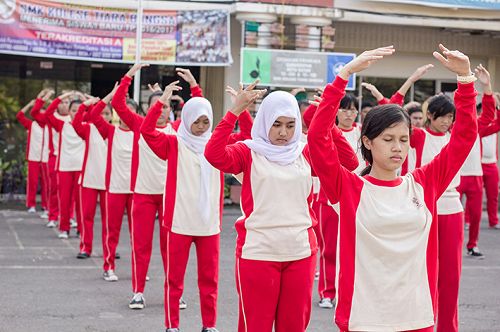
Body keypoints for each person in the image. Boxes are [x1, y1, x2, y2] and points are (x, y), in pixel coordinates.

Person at [307, 44, 477, 332]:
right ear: (367, 142)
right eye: (388, 139)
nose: (398, 147)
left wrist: (465, 81)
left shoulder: (424, 184)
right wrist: (344, 75)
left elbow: (463, 138)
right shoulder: (348, 187)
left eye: (403, 139)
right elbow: (317, 137)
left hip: (416, 316)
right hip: (364, 318)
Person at [204, 81, 357, 332]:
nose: (283, 132)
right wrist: (234, 111)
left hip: (300, 252)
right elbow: (214, 154)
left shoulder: (305, 152)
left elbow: (349, 163)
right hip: (258, 253)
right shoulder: (248, 152)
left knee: (294, 326)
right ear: (264, 121)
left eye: (290, 125)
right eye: (276, 124)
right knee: (256, 326)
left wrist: (328, 124)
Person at [112, 64, 202, 310]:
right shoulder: (140, 124)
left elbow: (200, 112)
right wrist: (129, 75)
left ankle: (175, 293)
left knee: (171, 248)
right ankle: (138, 291)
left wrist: (194, 85)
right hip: (142, 194)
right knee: (140, 246)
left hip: (171, 196)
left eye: (166, 106)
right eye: (158, 106)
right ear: (151, 108)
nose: (162, 111)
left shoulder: (178, 131)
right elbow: (119, 104)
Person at [141, 82, 225, 332]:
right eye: (196, 122)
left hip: (209, 224)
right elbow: (146, 131)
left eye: (205, 122)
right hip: (179, 222)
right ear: (186, 120)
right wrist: (161, 101)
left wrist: (240, 108)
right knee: (174, 280)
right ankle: (172, 325)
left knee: (209, 280)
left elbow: (246, 136)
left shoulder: (216, 146)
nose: (200, 127)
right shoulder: (173, 143)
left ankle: (209, 325)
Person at [90, 85, 135, 282]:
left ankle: (138, 270)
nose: (127, 116)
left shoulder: (143, 132)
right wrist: (111, 95)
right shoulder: (110, 131)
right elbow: (94, 114)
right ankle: (108, 266)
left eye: (131, 113)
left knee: (139, 235)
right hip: (115, 188)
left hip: (137, 190)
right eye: (123, 112)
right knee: (112, 231)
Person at [457, 64, 496, 259]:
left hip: (475, 175)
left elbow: (489, 115)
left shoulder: (477, 126)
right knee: (454, 217)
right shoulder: (451, 127)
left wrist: (487, 86)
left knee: (475, 215)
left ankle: (473, 245)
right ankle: (451, 244)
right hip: (455, 177)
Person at [72, 91, 114, 259]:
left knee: (109, 221)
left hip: (110, 182)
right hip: (89, 179)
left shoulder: (114, 131)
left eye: (107, 113)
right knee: (86, 217)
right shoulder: (88, 128)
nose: (104, 116)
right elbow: (75, 124)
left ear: (112, 116)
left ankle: (109, 249)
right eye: (101, 113)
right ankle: (85, 247)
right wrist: (85, 105)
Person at [44, 92, 85, 239]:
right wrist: (63, 96)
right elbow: (48, 113)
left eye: (79, 110)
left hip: (81, 168)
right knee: (64, 199)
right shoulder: (62, 125)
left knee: (81, 202)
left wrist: (85, 99)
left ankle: (81, 228)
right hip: (65, 167)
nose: (76, 113)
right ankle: (64, 228)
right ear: (68, 111)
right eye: (73, 110)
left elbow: (95, 110)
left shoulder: (87, 125)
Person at [16, 97, 49, 214]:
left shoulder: (49, 126)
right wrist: (30, 104)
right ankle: (31, 204)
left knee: (46, 184)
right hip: (33, 157)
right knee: (33, 182)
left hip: (45, 158)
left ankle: (46, 205)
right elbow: (19, 116)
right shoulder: (31, 124)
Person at [480, 92, 500, 230]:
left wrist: (497, 103)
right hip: (479, 165)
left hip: (492, 164)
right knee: (475, 196)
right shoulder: (478, 125)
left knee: (493, 196)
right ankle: (468, 220)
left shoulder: (493, 124)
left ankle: (493, 221)